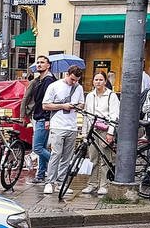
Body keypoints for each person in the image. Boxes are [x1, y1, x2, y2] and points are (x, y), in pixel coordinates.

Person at [40, 64, 85, 195]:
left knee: (67, 156)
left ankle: (61, 182)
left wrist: (77, 106)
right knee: (56, 154)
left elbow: (82, 103)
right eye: (72, 79)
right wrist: (63, 106)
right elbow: (45, 105)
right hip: (58, 125)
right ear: (67, 75)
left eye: (76, 80)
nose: (74, 82)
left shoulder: (79, 88)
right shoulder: (54, 86)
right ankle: (49, 182)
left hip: (72, 125)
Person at [80, 71, 119, 196]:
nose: (98, 82)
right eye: (96, 79)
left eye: (101, 80)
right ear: (93, 81)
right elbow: (86, 115)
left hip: (105, 129)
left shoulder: (111, 95)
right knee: (92, 158)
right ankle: (92, 184)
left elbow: (114, 115)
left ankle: (104, 184)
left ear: (105, 81)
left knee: (105, 158)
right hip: (93, 129)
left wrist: (110, 132)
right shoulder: (90, 96)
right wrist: (85, 133)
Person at [25, 56, 56, 183]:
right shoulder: (40, 80)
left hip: (43, 117)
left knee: (37, 148)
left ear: (48, 65)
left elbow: (47, 101)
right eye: (37, 62)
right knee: (42, 146)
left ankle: (57, 165)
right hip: (39, 116)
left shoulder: (48, 80)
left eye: (42, 62)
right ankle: (41, 175)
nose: (39, 64)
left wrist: (47, 118)